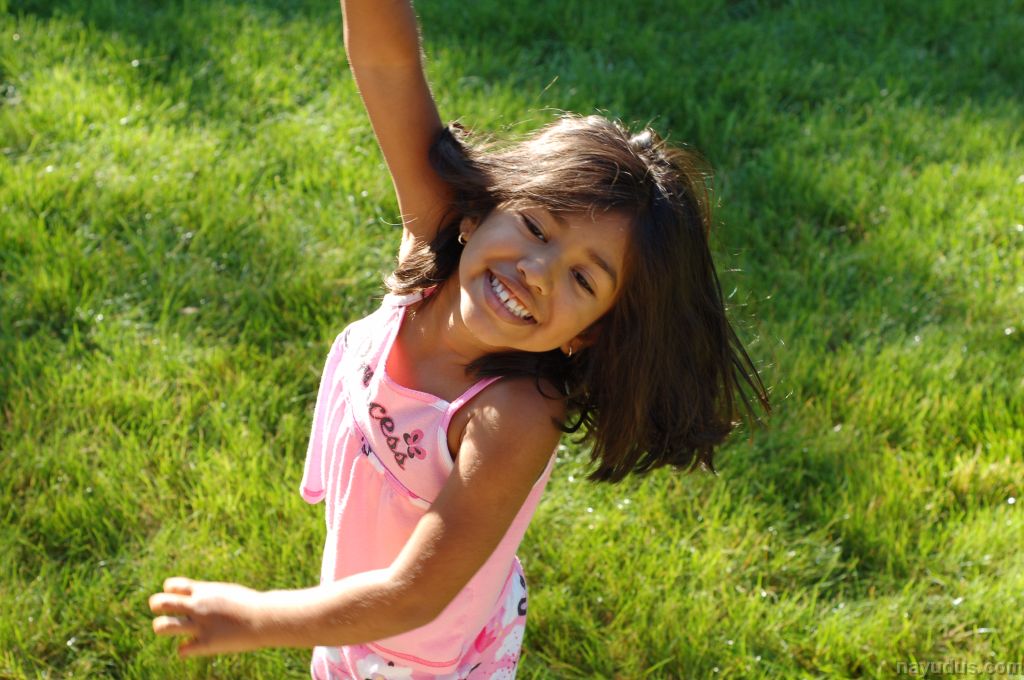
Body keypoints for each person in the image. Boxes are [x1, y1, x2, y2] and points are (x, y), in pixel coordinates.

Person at [148, 1, 770, 677]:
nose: (536, 272)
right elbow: (387, 67)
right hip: (362, 609)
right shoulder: (435, 243)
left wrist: (257, 617)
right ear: (480, 211)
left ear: (589, 335)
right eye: (535, 226)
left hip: (422, 659)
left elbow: (415, 594)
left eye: (581, 279)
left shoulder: (513, 416)